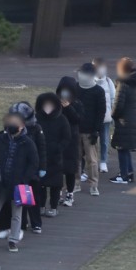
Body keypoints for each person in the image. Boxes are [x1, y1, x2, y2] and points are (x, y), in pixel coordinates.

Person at [0, 112, 39, 251]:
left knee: (17, 214)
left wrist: (24, 179)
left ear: (22, 126)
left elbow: (34, 163)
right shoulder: (1, 139)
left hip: (18, 184)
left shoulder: (28, 142)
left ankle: (13, 240)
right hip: (1, 182)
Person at [9, 101, 47, 235]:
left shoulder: (36, 129)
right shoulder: (10, 132)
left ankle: (36, 223)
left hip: (32, 169)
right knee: (20, 198)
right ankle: (22, 223)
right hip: (18, 170)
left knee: (33, 197)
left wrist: (42, 167)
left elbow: (41, 148)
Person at [35, 92, 72, 218]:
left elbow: (67, 137)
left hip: (56, 157)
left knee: (56, 184)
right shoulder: (37, 119)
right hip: (40, 156)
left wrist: (58, 148)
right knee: (41, 184)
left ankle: (54, 207)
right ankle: (41, 206)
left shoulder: (61, 119)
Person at [109, 57, 136, 185]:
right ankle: (129, 173)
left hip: (124, 121)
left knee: (122, 148)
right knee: (126, 148)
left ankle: (123, 175)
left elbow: (118, 104)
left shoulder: (123, 84)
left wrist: (113, 115)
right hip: (134, 118)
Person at [75, 62, 107, 197]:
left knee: (92, 160)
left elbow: (101, 112)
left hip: (90, 131)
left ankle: (93, 184)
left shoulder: (98, 91)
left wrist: (96, 131)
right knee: (76, 158)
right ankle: (75, 183)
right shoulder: (75, 88)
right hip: (76, 129)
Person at [56, 77, 84, 207]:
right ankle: (58, 194)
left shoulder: (77, 103)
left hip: (72, 140)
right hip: (58, 138)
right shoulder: (55, 103)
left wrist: (68, 107)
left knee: (70, 169)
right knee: (58, 168)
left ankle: (70, 193)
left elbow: (77, 119)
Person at [93, 58, 116, 174]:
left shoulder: (108, 81)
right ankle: (91, 162)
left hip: (105, 116)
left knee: (104, 139)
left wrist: (112, 114)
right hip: (92, 117)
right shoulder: (90, 81)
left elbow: (113, 98)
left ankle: (103, 161)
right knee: (90, 140)